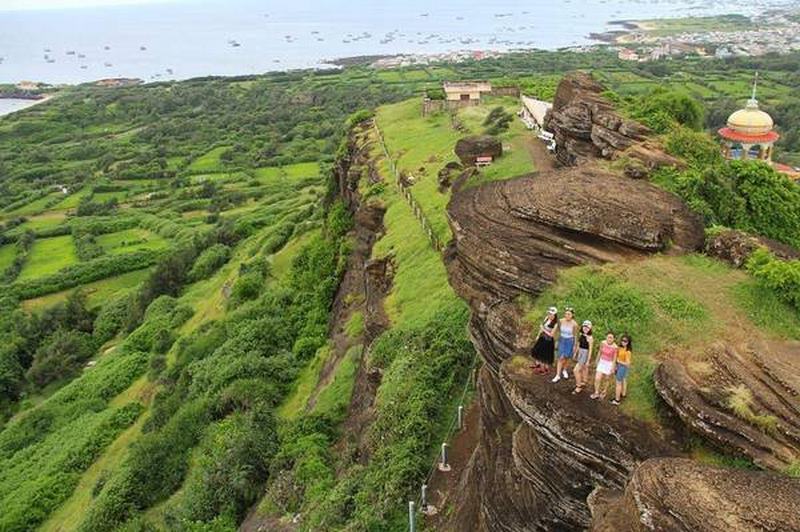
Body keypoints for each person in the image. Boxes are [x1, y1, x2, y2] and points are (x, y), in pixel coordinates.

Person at [552, 307, 578, 383]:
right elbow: (558, 331)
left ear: (572, 315)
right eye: (566, 314)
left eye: (569, 314)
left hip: (570, 341)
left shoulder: (574, 324)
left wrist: (574, 346)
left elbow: (575, 335)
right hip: (562, 339)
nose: (567, 315)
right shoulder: (561, 321)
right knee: (560, 357)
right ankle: (557, 375)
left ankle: (565, 370)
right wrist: (557, 340)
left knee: (567, 357)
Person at [591, 332, 618, 400]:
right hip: (602, 361)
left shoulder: (615, 347)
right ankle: (596, 392)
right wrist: (597, 360)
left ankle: (604, 391)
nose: (609, 339)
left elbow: (615, 358)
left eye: (611, 338)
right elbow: (600, 352)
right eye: (608, 337)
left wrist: (613, 367)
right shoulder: (603, 343)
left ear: (614, 339)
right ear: (606, 337)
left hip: (609, 363)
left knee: (606, 379)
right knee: (597, 378)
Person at [531, 307, 558, 375]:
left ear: (554, 315)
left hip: (548, 340)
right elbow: (542, 327)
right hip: (542, 338)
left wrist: (543, 330)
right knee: (537, 350)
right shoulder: (546, 319)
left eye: (551, 314)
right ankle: (538, 365)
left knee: (545, 355)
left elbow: (551, 335)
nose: (550, 316)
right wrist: (538, 335)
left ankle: (544, 370)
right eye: (549, 314)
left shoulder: (556, 324)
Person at [572, 320, 594, 394]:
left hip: (585, 354)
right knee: (583, 368)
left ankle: (579, 386)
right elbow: (579, 344)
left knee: (576, 370)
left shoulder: (590, 338)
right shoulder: (581, 334)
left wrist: (588, 360)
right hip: (580, 352)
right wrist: (576, 353)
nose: (585, 328)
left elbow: (590, 350)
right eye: (584, 327)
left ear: (590, 328)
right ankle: (584, 382)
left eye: (587, 327)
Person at [611, 334, 632, 406]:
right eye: (622, 340)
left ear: (628, 342)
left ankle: (617, 400)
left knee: (618, 383)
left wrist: (618, 361)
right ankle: (623, 394)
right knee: (623, 380)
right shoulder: (621, 348)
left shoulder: (628, 352)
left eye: (625, 341)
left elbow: (628, 364)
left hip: (622, 367)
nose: (623, 342)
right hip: (620, 367)